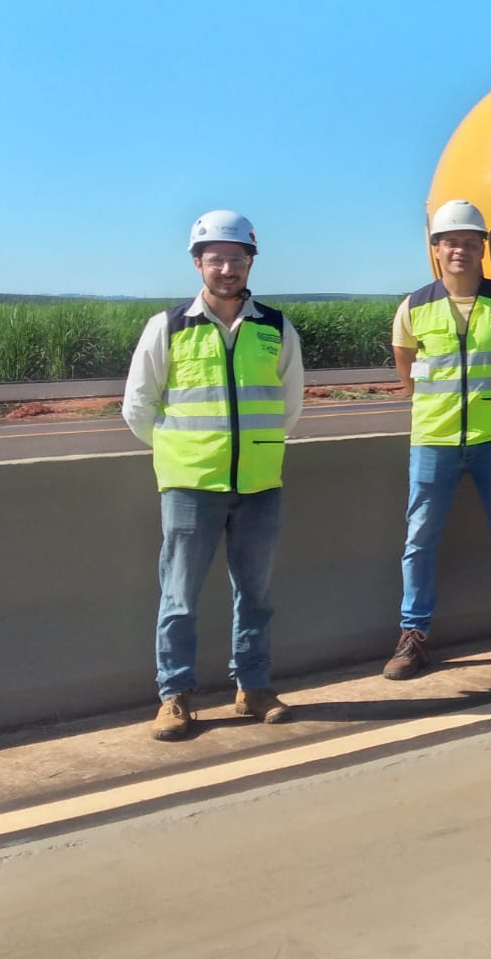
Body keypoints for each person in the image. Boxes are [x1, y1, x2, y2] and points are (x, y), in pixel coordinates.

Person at [123, 210, 305, 741]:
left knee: (257, 595)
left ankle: (253, 688)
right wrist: (181, 452)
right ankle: (175, 696)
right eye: (216, 257)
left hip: (259, 485)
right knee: (179, 598)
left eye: (237, 257)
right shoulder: (168, 326)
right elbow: (139, 407)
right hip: (189, 486)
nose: (227, 267)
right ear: (198, 262)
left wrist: (257, 448)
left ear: (251, 261)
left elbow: (288, 406)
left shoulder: (275, 328)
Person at [382, 199, 491, 679]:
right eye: (450, 242)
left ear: (484, 248)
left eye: (469, 242)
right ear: (436, 249)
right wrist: (435, 404)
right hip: (433, 441)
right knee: (418, 541)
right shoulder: (415, 305)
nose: (460, 250)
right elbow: (405, 362)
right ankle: (412, 637)